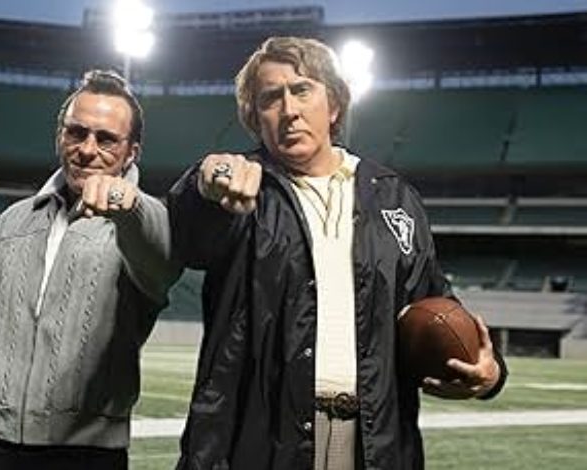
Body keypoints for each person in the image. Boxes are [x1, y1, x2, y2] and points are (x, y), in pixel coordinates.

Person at [167, 36, 507, 470]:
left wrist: (490, 372)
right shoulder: (240, 188)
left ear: (334, 105)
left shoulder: (394, 198)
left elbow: (434, 303)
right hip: (261, 445)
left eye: (302, 90)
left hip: (373, 444)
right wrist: (204, 181)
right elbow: (185, 232)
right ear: (255, 119)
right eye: (270, 98)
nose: (289, 110)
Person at [0, 69, 180, 470]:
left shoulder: (141, 226)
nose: (87, 149)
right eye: (77, 132)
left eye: (106, 139)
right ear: (60, 136)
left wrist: (129, 203)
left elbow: (162, 250)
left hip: (87, 454)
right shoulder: (14, 220)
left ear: (132, 152)